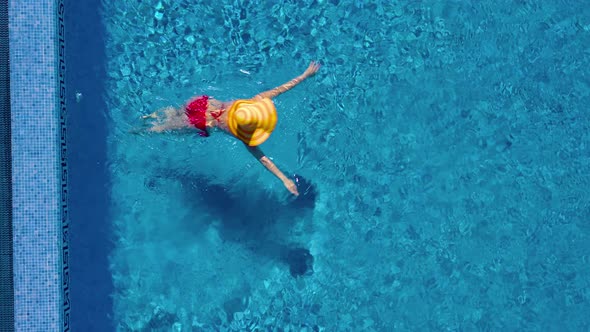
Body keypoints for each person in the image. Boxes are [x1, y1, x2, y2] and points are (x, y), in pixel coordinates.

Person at [140, 61, 321, 196]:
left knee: (176, 111)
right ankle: (140, 131)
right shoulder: (243, 136)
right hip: (200, 122)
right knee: (162, 129)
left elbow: (280, 89)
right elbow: (264, 160)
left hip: (202, 103)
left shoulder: (255, 100)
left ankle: (151, 115)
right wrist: (284, 179)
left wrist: (304, 75)